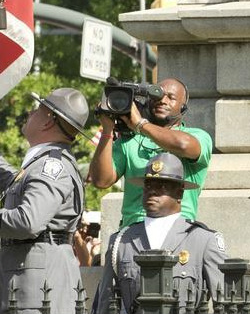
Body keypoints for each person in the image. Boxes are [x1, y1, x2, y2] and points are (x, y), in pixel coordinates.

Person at [0, 88, 89, 314]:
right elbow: (8, 181)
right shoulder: (41, 164)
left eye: (37, 110)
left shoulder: (50, 167)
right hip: (28, 277)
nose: (30, 113)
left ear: (48, 122)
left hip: (36, 283)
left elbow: (28, 220)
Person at [92, 152, 227, 314]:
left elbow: (226, 303)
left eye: (162, 186)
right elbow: (107, 303)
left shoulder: (203, 240)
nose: (152, 191)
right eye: (148, 185)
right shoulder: (121, 241)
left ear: (180, 193)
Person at [90, 78, 213, 227]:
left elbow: (183, 145)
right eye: (157, 96)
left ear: (183, 107)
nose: (162, 100)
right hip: (134, 231)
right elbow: (101, 181)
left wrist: (141, 125)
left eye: (171, 97)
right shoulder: (130, 140)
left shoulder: (198, 136)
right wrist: (107, 130)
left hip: (178, 230)